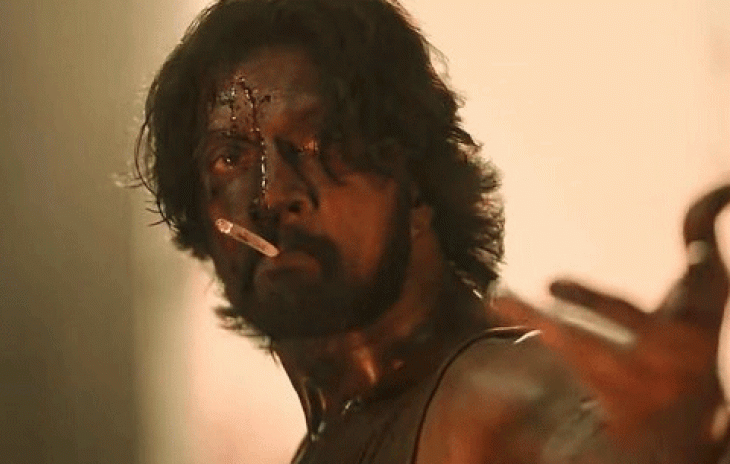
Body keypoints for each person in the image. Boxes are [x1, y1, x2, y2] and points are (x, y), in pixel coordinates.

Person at [132, 0, 730, 462]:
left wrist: (675, 442)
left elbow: (568, 431)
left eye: (321, 141)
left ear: (414, 177)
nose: (272, 194)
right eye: (230, 158)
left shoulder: (492, 399)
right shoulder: (339, 429)